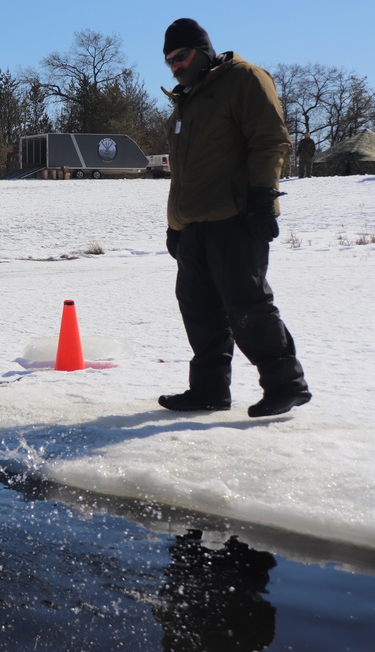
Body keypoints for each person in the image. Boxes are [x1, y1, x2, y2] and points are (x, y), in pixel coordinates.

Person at [159, 18, 311, 418]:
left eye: (181, 56)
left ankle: (286, 385)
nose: (175, 65)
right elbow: (185, 171)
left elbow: (270, 140)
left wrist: (262, 199)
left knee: (247, 306)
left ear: (204, 49)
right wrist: (176, 226)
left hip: (235, 218)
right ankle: (208, 391)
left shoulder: (245, 79)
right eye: (169, 60)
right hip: (194, 225)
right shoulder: (187, 97)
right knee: (198, 310)